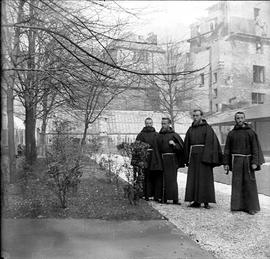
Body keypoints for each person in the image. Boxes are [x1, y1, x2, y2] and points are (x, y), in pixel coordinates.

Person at [223, 112, 264, 215]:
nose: (240, 120)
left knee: (249, 184)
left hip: (248, 161)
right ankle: (237, 206)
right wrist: (226, 163)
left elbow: (255, 148)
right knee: (237, 183)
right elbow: (227, 149)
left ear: (244, 119)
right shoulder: (231, 134)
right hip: (236, 161)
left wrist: (255, 162)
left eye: (241, 118)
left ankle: (251, 207)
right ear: (235, 120)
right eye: (237, 118)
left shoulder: (251, 132)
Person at [184, 109, 223, 209]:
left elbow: (211, 143)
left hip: (204, 157)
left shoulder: (207, 128)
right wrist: (186, 158)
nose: (195, 117)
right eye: (194, 116)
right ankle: (196, 201)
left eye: (197, 115)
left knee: (205, 179)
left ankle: (206, 201)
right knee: (194, 178)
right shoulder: (190, 129)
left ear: (201, 116)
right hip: (193, 157)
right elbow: (187, 144)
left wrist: (207, 157)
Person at [158, 117, 184, 204]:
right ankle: (164, 198)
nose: (163, 125)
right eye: (162, 123)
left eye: (165, 123)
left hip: (172, 159)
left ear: (169, 124)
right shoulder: (159, 135)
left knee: (172, 179)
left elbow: (181, 148)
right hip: (162, 159)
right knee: (163, 179)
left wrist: (174, 144)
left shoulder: (174, 135)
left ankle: (174, 199)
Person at [135, 117, 163, 201]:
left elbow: (160, 147)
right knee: (144, 175)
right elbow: (137, 147)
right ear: (145, 124)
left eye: (150, 123)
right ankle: (144, 194)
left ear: (152, 124)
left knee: (154, 175)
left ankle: (155, 195)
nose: (148, 125)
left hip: (154, 157)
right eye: (147, 123)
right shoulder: (140, 135)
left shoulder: (156, 134)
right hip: (144, 157)